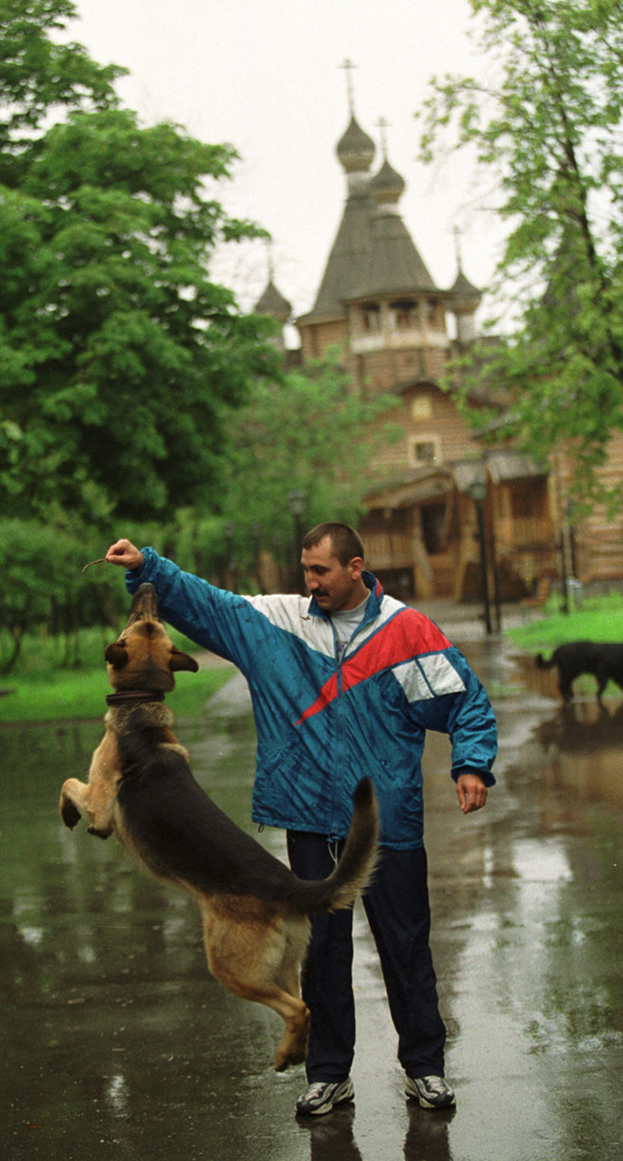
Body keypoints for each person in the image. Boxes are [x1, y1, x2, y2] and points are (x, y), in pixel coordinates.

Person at [105, 523, 497, 1117]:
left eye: (320, 571)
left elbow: (464, 699)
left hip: (388, 821)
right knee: (323, 957)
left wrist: (471, 764)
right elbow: (209, 604)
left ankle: (425, 1069)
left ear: (356, 567)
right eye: (305, 569)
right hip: (308, 816)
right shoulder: (279, 622)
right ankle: (329, 1074)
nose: (308, 581)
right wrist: (147, 565)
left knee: (407, 950)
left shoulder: (406, 631)